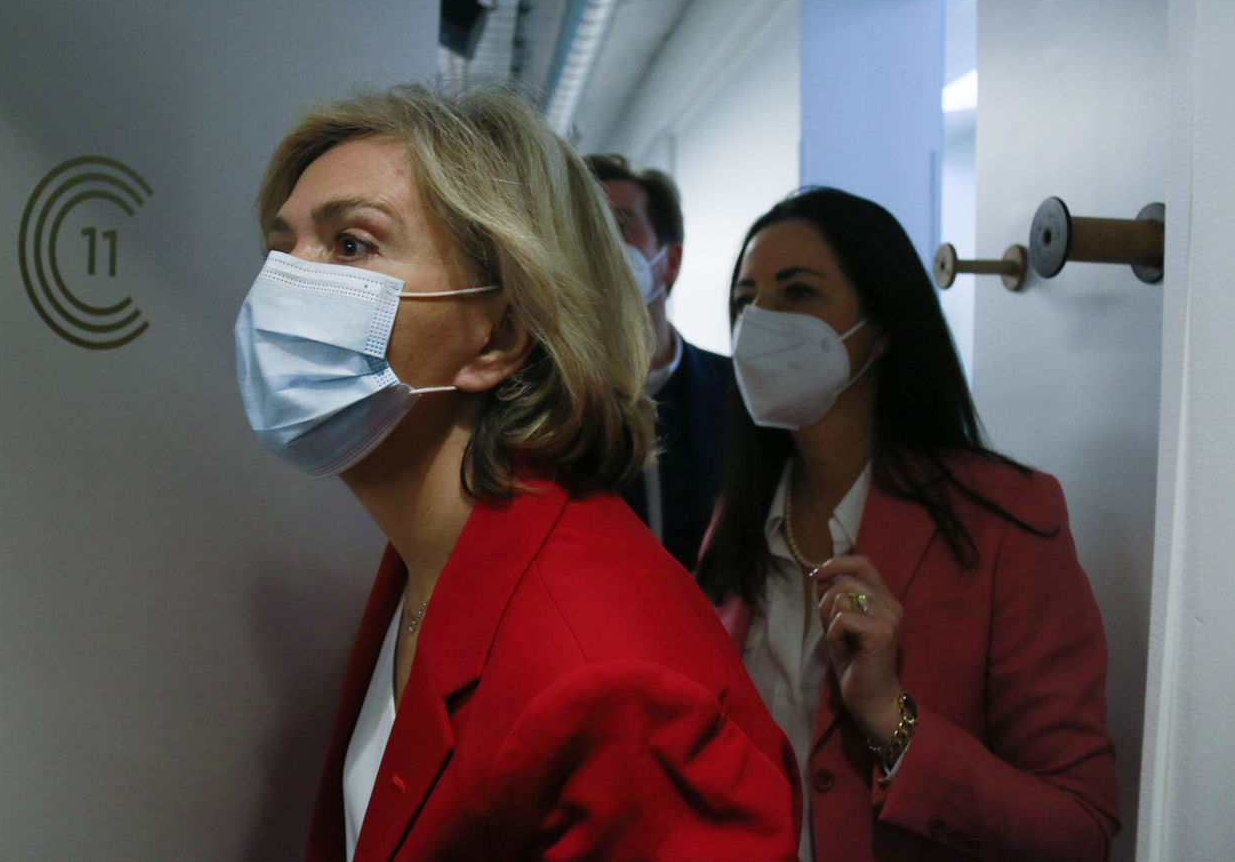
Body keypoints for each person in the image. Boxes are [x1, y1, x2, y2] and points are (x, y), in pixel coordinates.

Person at [235, 84, 801, 862]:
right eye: (281, 249)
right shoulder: (433, 552)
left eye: (352, 245)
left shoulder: (610, 677)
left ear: (499, 335)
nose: (285, 290)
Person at [697, 187, 1119, 861]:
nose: (760, 323)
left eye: (798, 293)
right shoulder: (736, 520)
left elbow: (1077, 828)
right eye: (745, 302)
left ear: (883, 326)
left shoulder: (1008, 518)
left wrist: (892, 719)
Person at [584, 154, 733, 569]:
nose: (598, 245)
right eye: (584, 229)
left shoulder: (737, 393)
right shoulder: (547, 403)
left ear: (671, 260)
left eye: (619, 227)